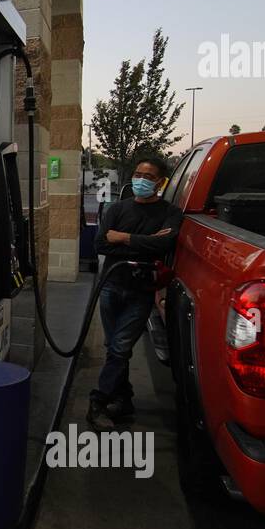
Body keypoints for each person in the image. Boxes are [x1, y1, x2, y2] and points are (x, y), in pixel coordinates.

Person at [87, 157, 183, 430]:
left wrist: (124, 238)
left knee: (120, 347)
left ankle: (97, 401)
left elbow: (165, 244)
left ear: (160, 182)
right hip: (111, 286)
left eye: (149, 176)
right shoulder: (118, 209)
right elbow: (101, 245)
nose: (141, 179)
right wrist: (144, 245)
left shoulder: (170, 213)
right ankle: (124, 397)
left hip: (141, 291)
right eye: (138, 174)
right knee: (115, 347)